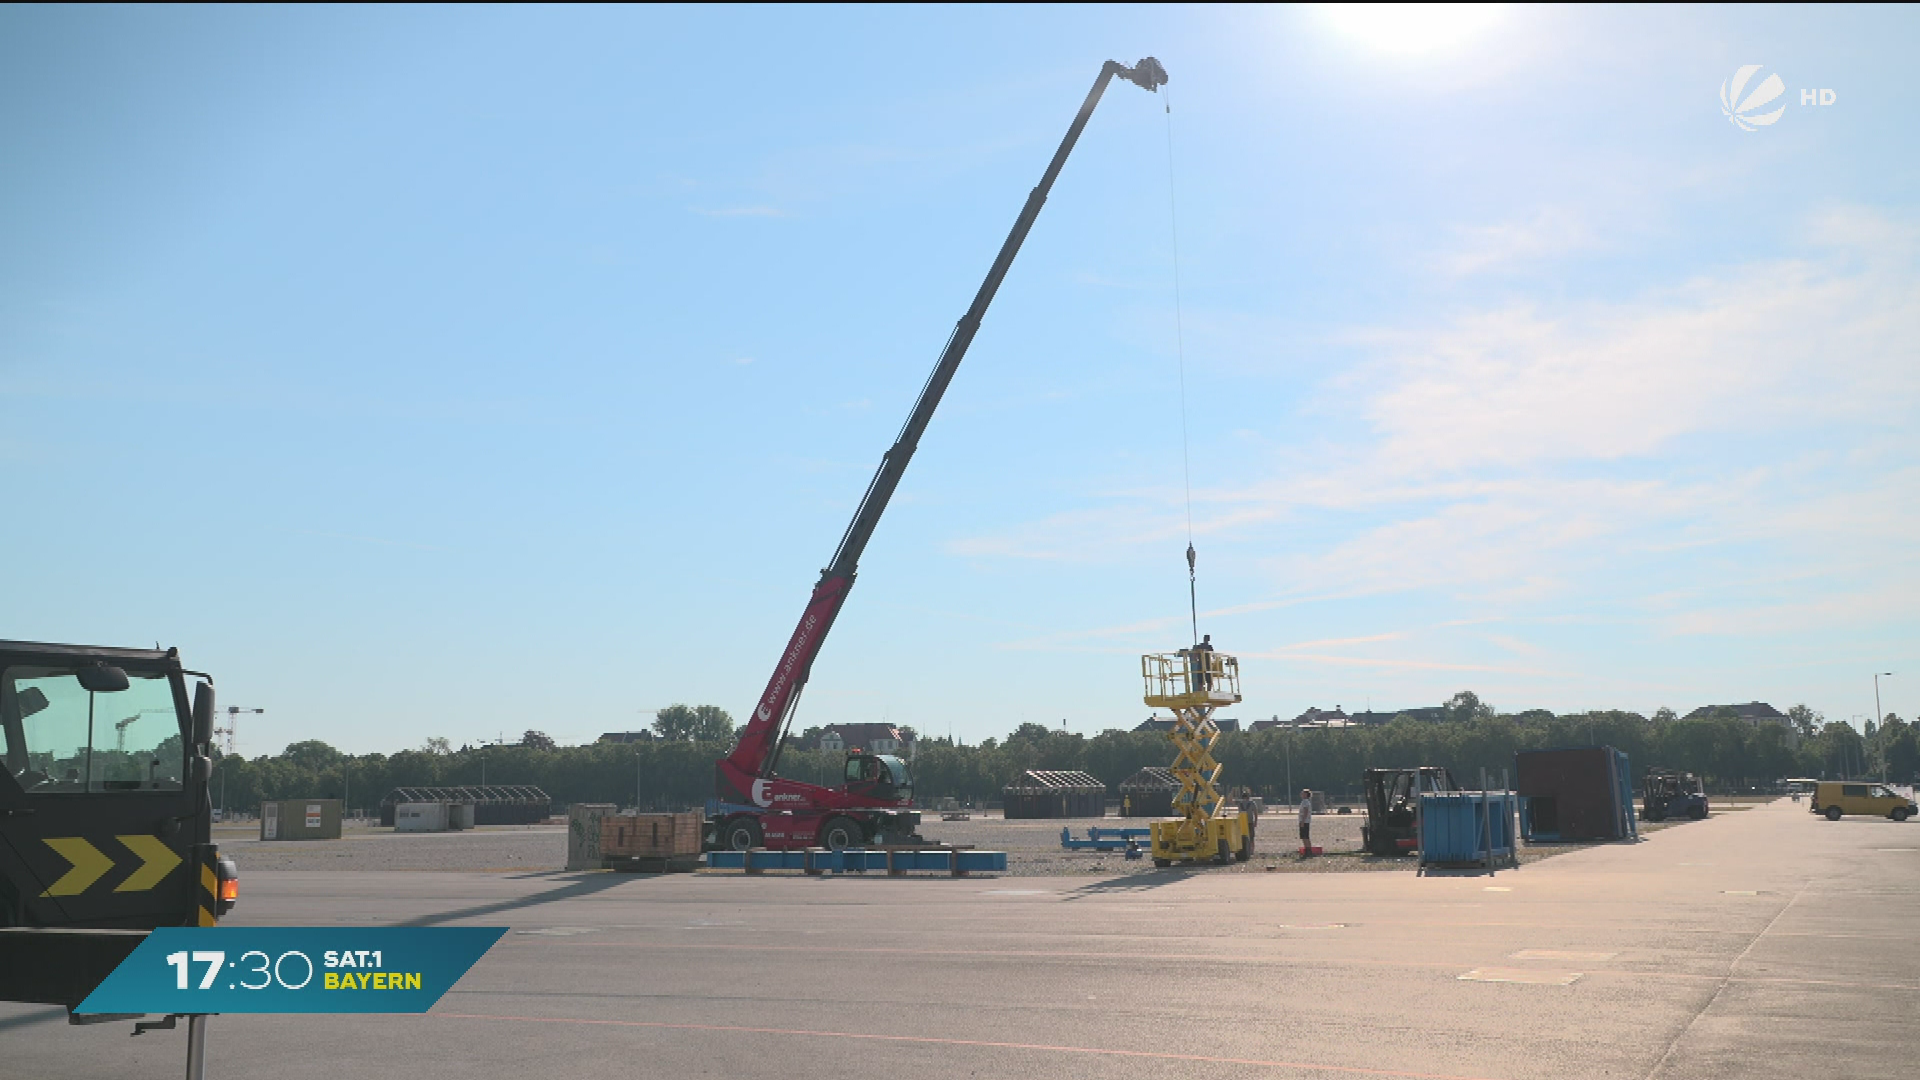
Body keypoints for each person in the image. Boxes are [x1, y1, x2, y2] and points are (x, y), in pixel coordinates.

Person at [1297, 788, 1313, 857]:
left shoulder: (1305, 802)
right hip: (1304, 821)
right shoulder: (1304, 801)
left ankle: (1308, 851)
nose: (1301, 794)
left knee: (1305, 836)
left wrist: (1303, 821)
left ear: (1306, 795)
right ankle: (1307, 850)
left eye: (1303, 793)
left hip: (1305, 821)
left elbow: (1306, 811)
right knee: (1303, 836)